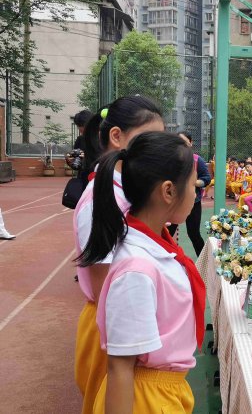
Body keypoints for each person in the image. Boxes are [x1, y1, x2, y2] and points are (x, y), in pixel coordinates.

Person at [78, 132, 205, 413]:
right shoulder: (138, 269)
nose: (196, 192)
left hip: (162, 391)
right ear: (169, 191)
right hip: (145, 399)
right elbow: (120, 367)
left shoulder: (153, 248)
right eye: (193, 185)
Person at [73, 95, 165, 414]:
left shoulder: (123, 188)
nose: (154, 149)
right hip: (111, 327)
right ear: (117, 137)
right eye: (146, 139)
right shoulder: (102, 198)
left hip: (122, 325)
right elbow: (104, 292)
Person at [166, 132, 211, 257]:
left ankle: (204, 262)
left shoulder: (197, 160)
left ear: (190, 143)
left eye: (185, 142)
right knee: (168, 233)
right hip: (174, 202)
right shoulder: (170, 160)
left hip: (193, 202)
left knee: (194, 233)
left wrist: (194, 182)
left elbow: (206, 178)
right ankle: (163, 260)